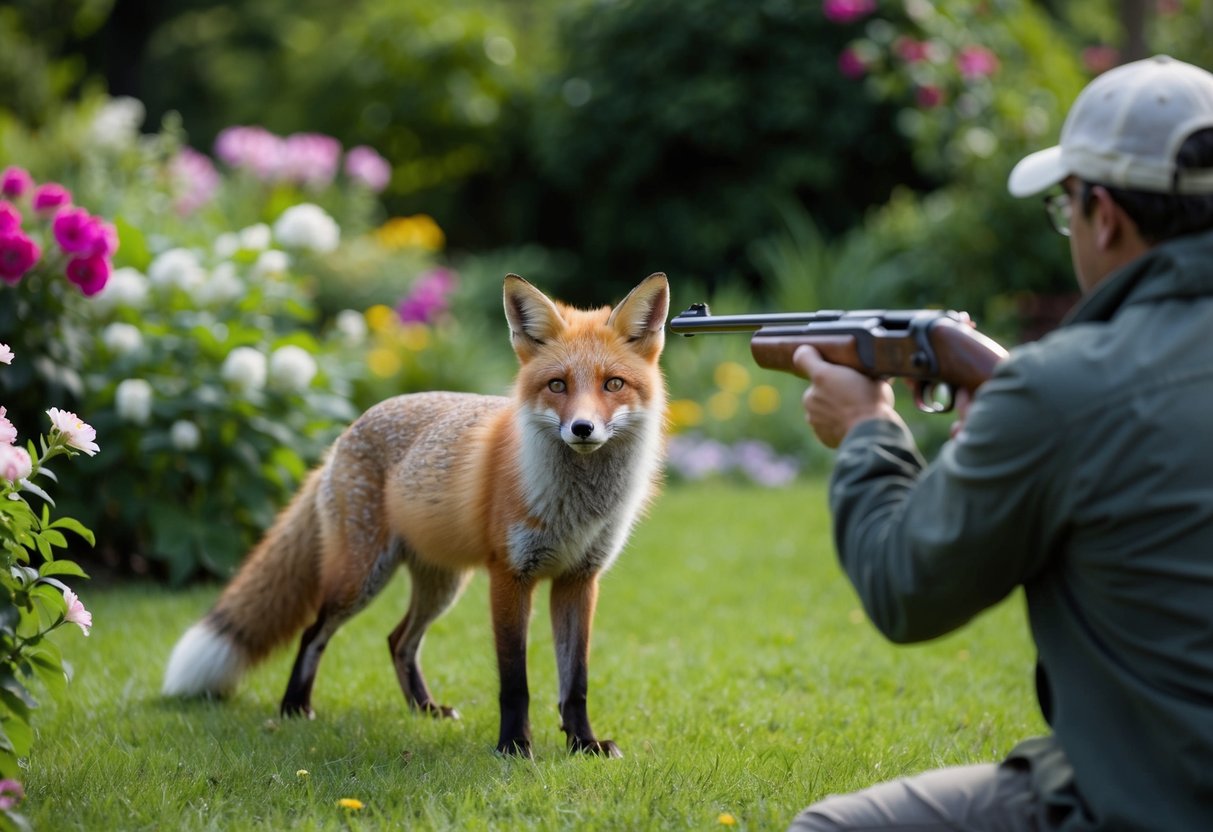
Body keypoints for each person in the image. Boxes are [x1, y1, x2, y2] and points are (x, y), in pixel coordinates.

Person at [786, 54, 1213, 831]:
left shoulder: (1061, 391)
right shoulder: (1053, 395)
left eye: (1065, 206)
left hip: (1153, 797)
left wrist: (866, 431)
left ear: (1103, 214)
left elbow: (905, 590)